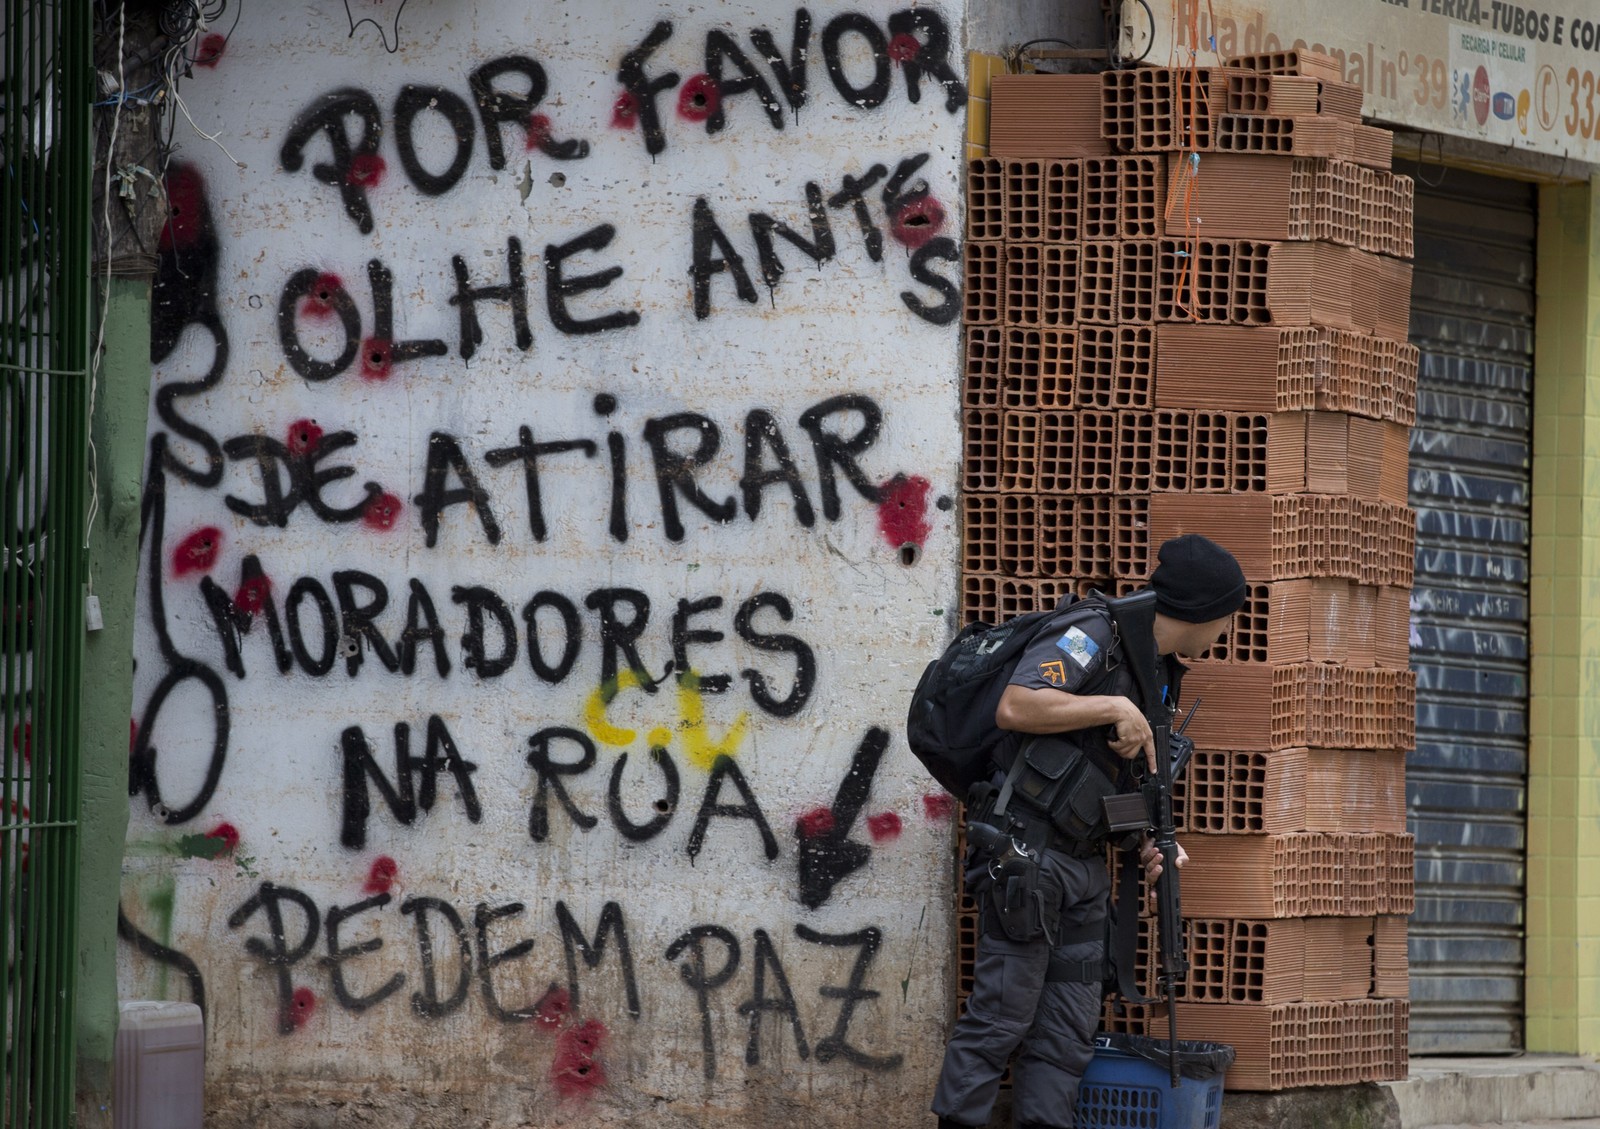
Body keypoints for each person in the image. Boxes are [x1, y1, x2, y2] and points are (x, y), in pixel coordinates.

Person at [931, 533, 1247, 1129]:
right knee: (1002, 1017)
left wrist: (1151, 840)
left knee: (1067, 1031)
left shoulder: (1157, 673)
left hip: (1082, 866)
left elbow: (1109, 780)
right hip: (1026, 855)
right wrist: (1114, 710)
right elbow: (1018, 704)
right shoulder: (1095, 633)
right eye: (1226, 620)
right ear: (1202, 610)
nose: (1224, 636)